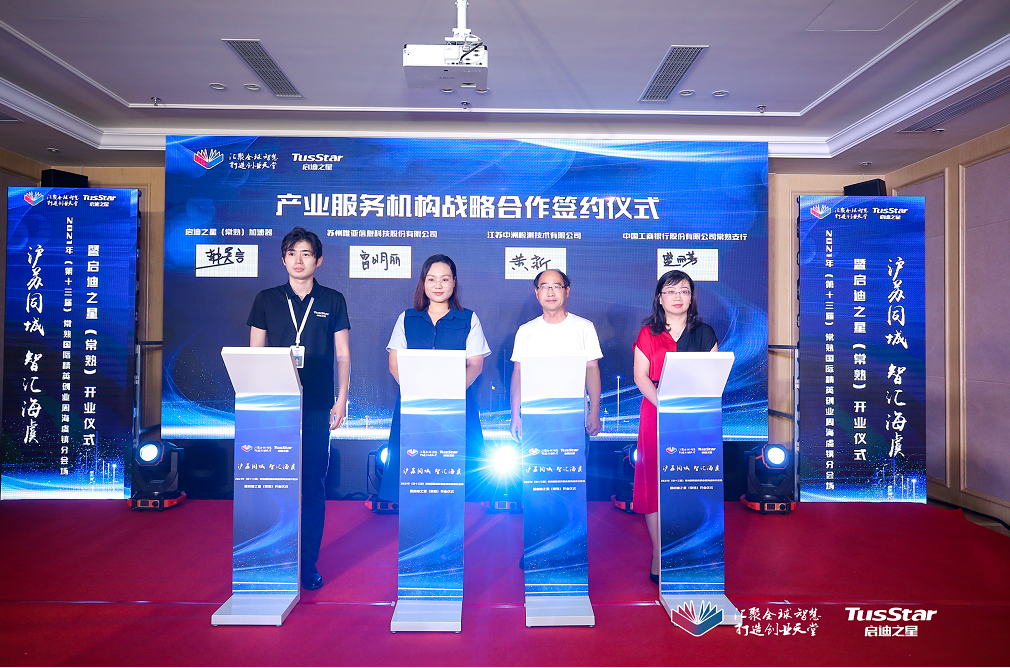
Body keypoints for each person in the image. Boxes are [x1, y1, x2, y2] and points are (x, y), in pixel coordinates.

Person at [247, 227, 350, 591]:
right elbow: (254, 355)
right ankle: (272, 557)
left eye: (306, 253)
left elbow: (343, 354)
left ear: (318, 260)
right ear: (283, 259)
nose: (298, 260)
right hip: (276, 405)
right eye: (292, 253)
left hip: (318, 406)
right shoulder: (266, 299)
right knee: (273, 484)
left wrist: (342, 398)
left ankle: (307, 564)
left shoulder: (333, 300)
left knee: (312, 486)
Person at [378, 254, 491, 503]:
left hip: (457, 403)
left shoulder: (468, 319)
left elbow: (475, 364)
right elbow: (394, 363)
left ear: (454, 282)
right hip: (413, 403)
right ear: (423, 282)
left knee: (456, 467)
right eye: (431, 279)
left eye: (444, 279)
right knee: (413, 465)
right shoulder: (407, 318)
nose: (438, 285)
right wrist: (416, 393)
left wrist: (450, 394)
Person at [633, 270, 717, 584]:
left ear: (692, 297)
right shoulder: (648, 333)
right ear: (660, 298)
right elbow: (641, 376)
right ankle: (660, 553)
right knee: (654, 484)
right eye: (670, 291)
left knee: (691, 482)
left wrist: (688, 407)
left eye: (684, 291)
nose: (677, 297)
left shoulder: (705, 332)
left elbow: (713, 374)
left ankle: (691, 549)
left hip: (694, 417)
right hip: (656, 412)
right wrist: (664, 405)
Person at [509, 268, 603, 441]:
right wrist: (515, 415)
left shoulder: (584, 327)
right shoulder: (525, 331)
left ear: (567, 291)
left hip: (574, 417)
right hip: (535, 415)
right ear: (537, 293)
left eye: (556, 286)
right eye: (544, 287)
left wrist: (594, 411)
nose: (550, 292)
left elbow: (592, 369)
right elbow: (518, 373)